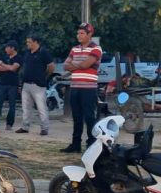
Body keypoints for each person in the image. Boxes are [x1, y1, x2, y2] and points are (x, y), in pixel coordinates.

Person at [60, 23, 103, 153]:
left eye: (82, 33)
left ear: (90, 35)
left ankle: (91, 144)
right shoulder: (75, 49)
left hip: (89, 88)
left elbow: (85, 64)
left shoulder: (96, 48)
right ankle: (75, 144)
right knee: (77, 117)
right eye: (78, 33)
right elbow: (65, 66)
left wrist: (75, 65)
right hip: (75, 86)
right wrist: (80, 65)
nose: (79, 36)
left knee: (90, 117)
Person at [15, 35, 54, 136]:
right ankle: (25, 127)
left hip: (38, 85)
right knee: (26, 107)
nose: (27, 44)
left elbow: (51, 66)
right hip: (26, 84)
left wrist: (44, 76)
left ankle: (44, 128)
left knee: (41, 107)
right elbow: (25, 66)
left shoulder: (43, 52)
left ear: (36, 42)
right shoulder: (27, 53)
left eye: (29, 42)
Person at [0, 41, 21, 130]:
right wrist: (8, 67)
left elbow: (13, 68)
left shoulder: (18, 58)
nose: (5, 50)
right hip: (2, 83)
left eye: (7, 48)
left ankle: (9, 124)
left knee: (12, 105)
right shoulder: (4, 56)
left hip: (13, 84)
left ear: (12, 48)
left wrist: (4, 66)